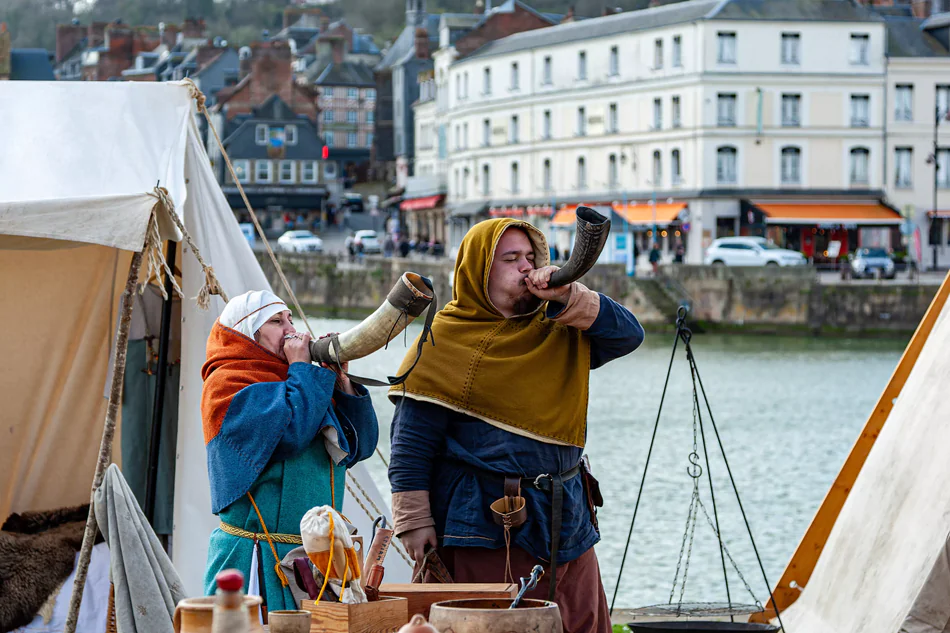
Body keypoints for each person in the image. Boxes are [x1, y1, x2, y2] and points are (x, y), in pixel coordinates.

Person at [388, 219, 644, 633]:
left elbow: (628, 335)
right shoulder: (443, 341)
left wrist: (569, 293)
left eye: (530, 257)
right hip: (485, 527)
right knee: (489, 625)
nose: (526, 267)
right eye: (510, 259)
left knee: (581, 622)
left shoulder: (560, 326)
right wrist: (414, 523)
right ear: (479, 271)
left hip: (567, 520)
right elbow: (411, 448)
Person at [201, 291, 378, 611]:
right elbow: (292, 435)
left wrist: (341, 383)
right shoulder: (227, 385)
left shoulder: (300, 385)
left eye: (291, 320)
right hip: (257, 561)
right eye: (276, 321)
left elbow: (359, 447)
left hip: (319, 563)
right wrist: (302, 368)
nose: (292, 330)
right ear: (248, 333)